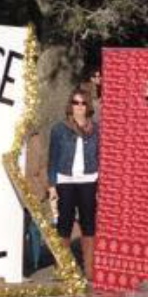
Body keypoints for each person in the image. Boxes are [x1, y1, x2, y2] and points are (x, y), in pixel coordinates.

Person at [48, 88, 100, 281]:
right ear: (70, 105)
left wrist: (100, 182)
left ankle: (89, 271)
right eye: (75, 103)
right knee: (64, 223)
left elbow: (100, 156)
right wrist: (52, 184)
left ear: (88, 106)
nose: (79, 107)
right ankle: (61, 268)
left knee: (88, 224)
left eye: (83, 103)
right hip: (65, 180)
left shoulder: (96, 130)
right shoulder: (59, 129)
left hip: (88, 180)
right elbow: (52, 158)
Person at [21, 126, 49, 274]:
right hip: (14, 190)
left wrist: (45, 187)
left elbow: (42, 165)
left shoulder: (35, 138)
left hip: (34, 190)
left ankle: (34, 263)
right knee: (21, 229)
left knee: (35, 229)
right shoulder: (8, 136)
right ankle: (22, 266)